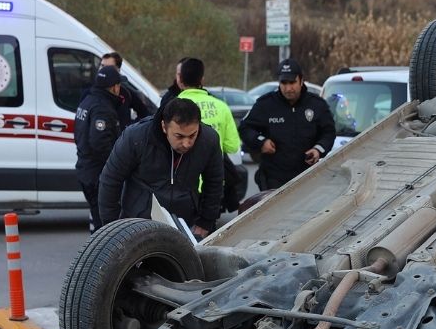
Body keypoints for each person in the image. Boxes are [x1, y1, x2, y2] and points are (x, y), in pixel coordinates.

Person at [99, 97, 224, 239]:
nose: (186, 143)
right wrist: (112, 228)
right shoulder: (136, 137)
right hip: (138, 223)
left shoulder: (209, 140)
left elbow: (215, 181)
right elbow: (110, 179)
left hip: (186, 223)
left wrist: (205, 222)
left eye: (192, 135)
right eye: (179, 136)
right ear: (164, 126)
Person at [239, 58, 335, 190]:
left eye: (292, 82)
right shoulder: (266, 104)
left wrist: (318, 149)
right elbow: (245, 127)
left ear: (301, 81)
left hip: (307, 178)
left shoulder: (317, 105)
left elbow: (329, 132)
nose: (288, 88)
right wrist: (261, 142)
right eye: (283, 83)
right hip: (274, 179)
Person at [174, 57, 246, 212]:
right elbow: (232, 146)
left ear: (180, 79)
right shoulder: (221, 106)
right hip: (212, 184)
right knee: (208, 230)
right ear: (202, 79)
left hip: (182, 185)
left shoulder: (172, 107)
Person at [74, 65, 124, 231]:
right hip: (98, 174)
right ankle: (101, 256)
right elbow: (100, 144)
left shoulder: (87, 101)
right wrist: (118, 168)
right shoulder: (102, 108)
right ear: (114, 87)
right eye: (119, 85)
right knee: (105, 227)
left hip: (85, 169)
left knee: (98, 221)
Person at [101, 51, 153, 129]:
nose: (103, 70)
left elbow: (144, 112)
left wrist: (131, 128)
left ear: (118, 70)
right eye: (102, 66)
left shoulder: (125, 92)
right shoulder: (91, 92)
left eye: (108, 67)